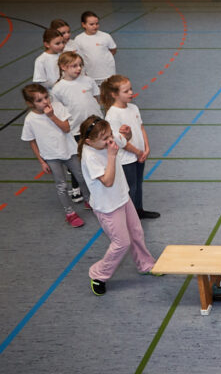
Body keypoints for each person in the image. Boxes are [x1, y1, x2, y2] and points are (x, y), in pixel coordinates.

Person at [78, 116, 159, 296]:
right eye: (105, 138)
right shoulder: (90, 157)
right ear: (89, 141)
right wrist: (111, 156)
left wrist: (127, 134)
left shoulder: (108, 140)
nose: (110, 140)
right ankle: (98, 274)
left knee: (136, 232)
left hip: (122, 197)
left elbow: (123, 140)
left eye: (110, 134)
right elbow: (107, 181)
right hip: (108, 207)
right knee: (121, 243)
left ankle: (145, 264)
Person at [20, 84, 91, 228]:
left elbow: (66, 128)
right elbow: (32, 141)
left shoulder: (58, 107)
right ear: (30, 103)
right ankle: (70, 213)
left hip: (69, 151)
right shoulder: (30, 120)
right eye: (39, 100)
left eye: (46, 97)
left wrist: (52, 116)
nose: (45, 102)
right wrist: (42, 161)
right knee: (61, 185)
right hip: (51, 156)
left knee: (82, 176)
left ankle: (89, 201)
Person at [101, 75, 160, 219]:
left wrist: (146, 148)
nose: (131, 93)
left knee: (138, 184)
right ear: (114, 94)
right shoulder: (112, 115)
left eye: (131, 89)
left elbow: (141, 128)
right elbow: (121, 142)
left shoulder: (133, 108)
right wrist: (138, 152)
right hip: (126, 159)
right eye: (126, 91)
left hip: (140, 154)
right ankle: (129, 217)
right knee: (130, 188)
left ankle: (138, 210)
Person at [51, 51, 101, 204]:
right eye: (74, 66)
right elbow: (59, 112)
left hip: (96, 127)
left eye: (80, 65)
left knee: (98, 157)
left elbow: (96, 98)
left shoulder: (88, 81)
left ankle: (98, 188)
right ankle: (77, 189)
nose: (78, 68)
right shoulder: (58, 89)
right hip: (76, 130)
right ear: (63, 67)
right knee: (78, 161)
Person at [66, 11, 116, 86]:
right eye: (91, 24)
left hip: (108, 73)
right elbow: (78, 57)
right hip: (91, 74)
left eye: (97, 24)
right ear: (83, 24)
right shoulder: (79, 39)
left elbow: (113, 49)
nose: (95, 26)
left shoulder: (106, 36)